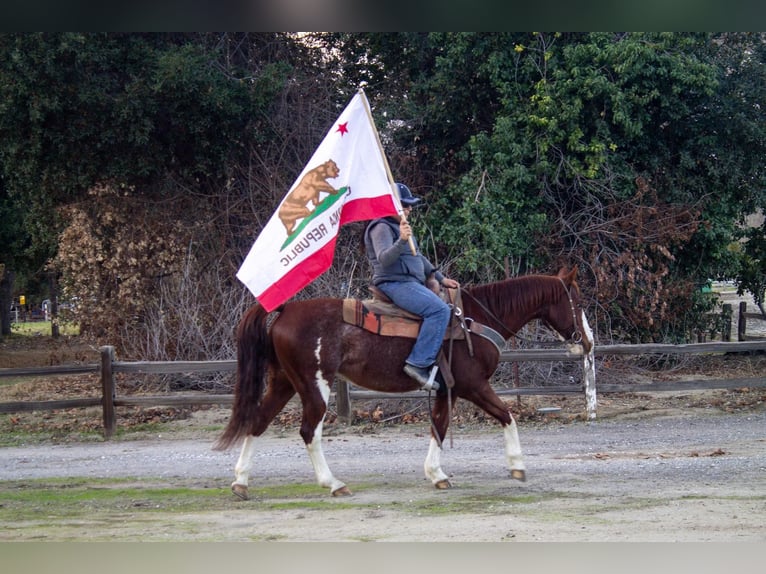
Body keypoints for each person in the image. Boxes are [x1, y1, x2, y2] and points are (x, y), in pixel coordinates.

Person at [364, 183, 459, 391]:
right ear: (393, 206)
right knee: (439, 310)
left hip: (411, 282)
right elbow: (384, 259)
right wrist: (401, 240)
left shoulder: (401, 227)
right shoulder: (381, 227)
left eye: (409, 205)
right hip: (394, 283)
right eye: (405, 205)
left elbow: (418, 257)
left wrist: (441, 278)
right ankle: (419, 363)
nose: (409, 209)